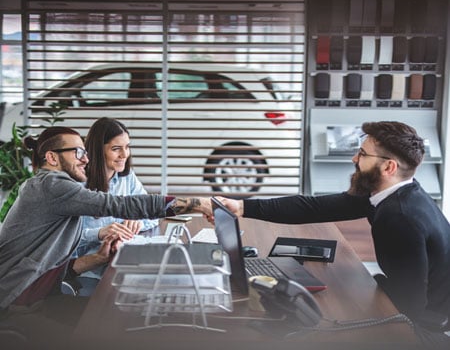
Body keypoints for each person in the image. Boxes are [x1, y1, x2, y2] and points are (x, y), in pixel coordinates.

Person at [217, 121, 450, 347]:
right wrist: (242, 207)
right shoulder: (395, 192)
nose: (354, 159)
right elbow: (314, 207)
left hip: (428, 328)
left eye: (363, 154)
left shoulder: (400, 216)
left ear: (389, 167)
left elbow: (412, 307)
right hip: (420, 307)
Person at [0, 126, 210, 347]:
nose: (86, 160)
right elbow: (118, 205)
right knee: (116, 330)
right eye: (78, 153)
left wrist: (98, 258)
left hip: (36, 298)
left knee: (125, 314)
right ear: (52, 158)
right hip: (15, 306)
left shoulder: (49, 188)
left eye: (86, 153)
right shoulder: (51, 186)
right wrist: (196, 204)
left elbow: (48, 264)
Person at [73, 117, 159, 296]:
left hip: (120, 262)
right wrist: (100, 233)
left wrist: (138, 222)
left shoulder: (127, 178)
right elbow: (65, 238)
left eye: (127, 147)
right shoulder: (78, 184)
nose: (124, 154)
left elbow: (153, 212)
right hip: (89, 270)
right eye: (116, 149)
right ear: (98, 151)